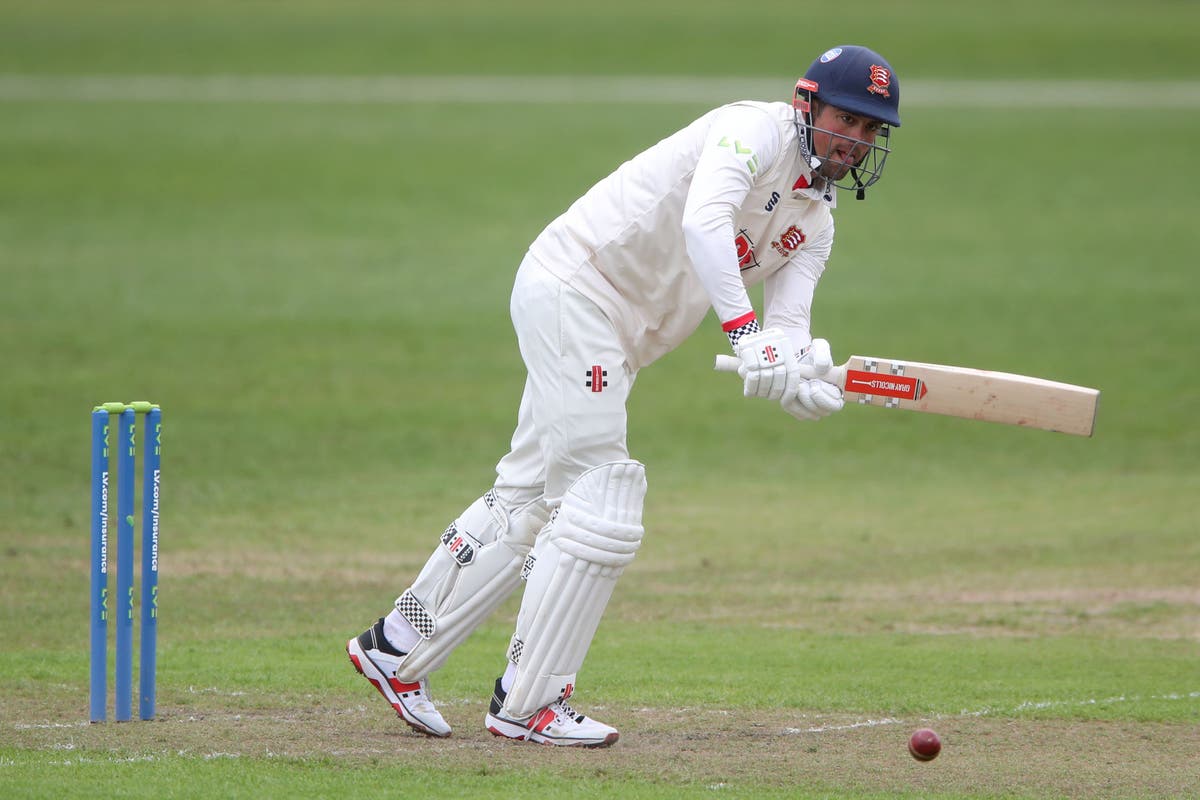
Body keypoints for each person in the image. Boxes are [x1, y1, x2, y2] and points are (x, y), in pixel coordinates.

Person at [347, 44, 902, 748]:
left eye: (870, 130)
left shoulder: (815, 223)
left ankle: (396, 647)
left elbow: (788, 330)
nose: (855, 140)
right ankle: (528, 703)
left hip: (614, 335)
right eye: (846, 120)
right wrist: (743, 333)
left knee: (527, 497)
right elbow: (704, 222)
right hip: (577, 290)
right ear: (807, 106)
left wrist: (800, 374)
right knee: (602, 493)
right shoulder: (750, 131)